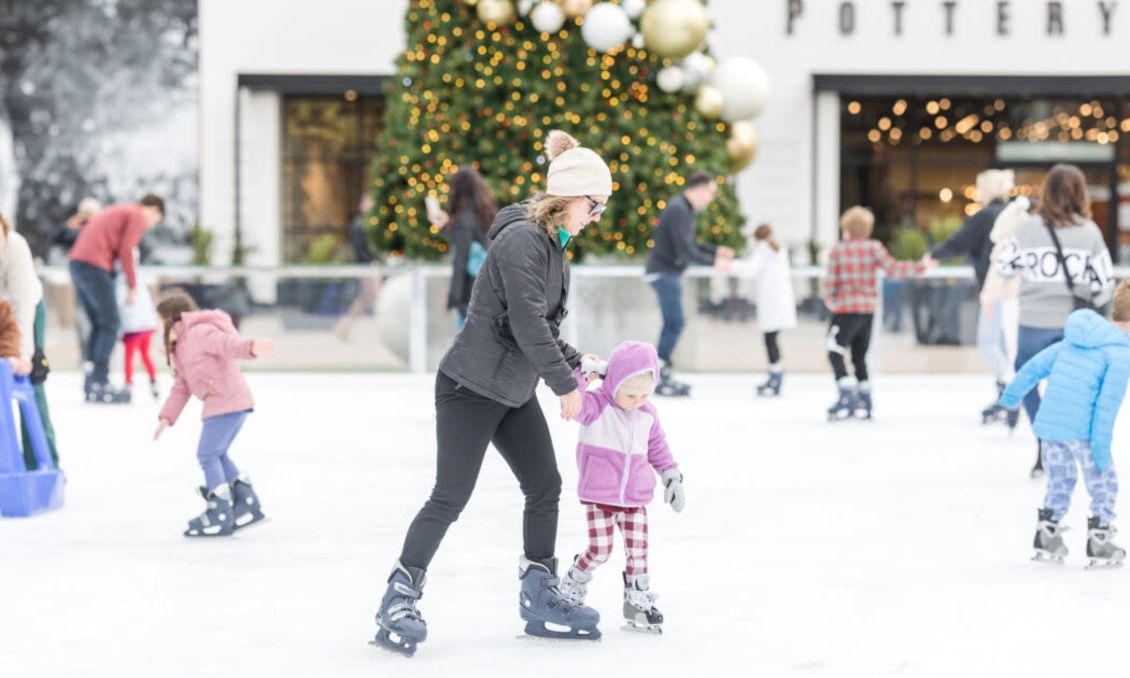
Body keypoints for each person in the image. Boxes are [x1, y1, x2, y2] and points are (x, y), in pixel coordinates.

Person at [374, 130, 610, 656]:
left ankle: (538, 592)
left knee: (545, 484)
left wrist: (578, 361)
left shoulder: (553, 248)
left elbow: (537, 329)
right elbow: (526, 324)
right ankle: (399, 595)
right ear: (570, 198)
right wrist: (565, 384)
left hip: (511, 389)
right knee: (450, 495)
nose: (595, 217)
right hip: (469, 387)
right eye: (594, 206)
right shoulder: (523, 240)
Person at [555, 341, 685, 634]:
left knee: (638, 551)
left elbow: (658, 448)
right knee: (600, 550)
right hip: (599, 494)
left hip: (635, 496)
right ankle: (575, 580)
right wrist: (580, 375)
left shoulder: (648, 414)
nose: (637, 400)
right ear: (613, 382)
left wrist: (671, 475)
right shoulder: (596, 405)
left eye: (644, 394)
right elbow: (572, 405)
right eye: (630, 394)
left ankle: (636, 602)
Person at [996, 164, 1114, 478]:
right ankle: (1072, 446)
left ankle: (1044, 441)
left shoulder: (1028, 229)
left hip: (1033, 322)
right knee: (1073, 386)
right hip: (1074, 325)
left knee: (1028, 380)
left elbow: (1005, 267)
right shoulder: (1089, 232)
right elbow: (1104, 284)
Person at [999, 289, 1130, 567]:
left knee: (1060, 481)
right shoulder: (1119, 354)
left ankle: (1047, 533)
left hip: (1050, 427)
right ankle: (1100, 539)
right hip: (1082, 431)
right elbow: (1106, 407)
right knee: (1104, 482)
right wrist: (1100, 447)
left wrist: (1010, 397)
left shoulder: (1073, 340)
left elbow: (1032, 368)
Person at [152, 289, 275, 538]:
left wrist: (251, 347)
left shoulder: (199, 333)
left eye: (160, 323)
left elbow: (227, 344)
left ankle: (219, 510)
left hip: (227, 401)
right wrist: (167, 416)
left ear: (173, 319)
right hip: (227, 402)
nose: (159, 329)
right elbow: (182, 386)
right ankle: (246, 500)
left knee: (207, 454)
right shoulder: (181, 348)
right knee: (218, 454)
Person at [822, 206, 935, 421]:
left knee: (834, 350)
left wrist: (830, 300)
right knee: (859, 355)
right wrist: (921, 266)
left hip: (846, 309)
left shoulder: (838, 250)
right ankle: (865, 396)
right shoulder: (874, 248)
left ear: (847, 227)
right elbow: (894, 269)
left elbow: (829, 282)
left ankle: (846, 393)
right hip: (868, 311)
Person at [928, 170, 1014, 423]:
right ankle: (1009, 392)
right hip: (1012, 289)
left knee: (988, 341)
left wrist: (934, 254)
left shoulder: (986, 216)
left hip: (995, 289)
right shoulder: (1011, 214)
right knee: (1003, 342)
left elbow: (960, 241)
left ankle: (1008, 392)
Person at [644, 171, 734, 397]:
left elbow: (690, 245)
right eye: (711, 193)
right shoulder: (678, 209)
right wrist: (715, 261)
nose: (711, 198)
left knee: (673, 323)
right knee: (675, 323)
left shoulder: (683, 209)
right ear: (701, 188)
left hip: (666, 272)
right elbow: (685, 251)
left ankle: (660, 371)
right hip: (664, 273)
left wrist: (715, 251)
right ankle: (659, 372)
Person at [69, 194, 164, 403]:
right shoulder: (136, 214)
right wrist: (132, 286)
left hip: (78, 264)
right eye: (155, 221)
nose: (149, 225)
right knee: (111, 324)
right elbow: (127, 250)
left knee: (98, 325)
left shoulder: (120, 210)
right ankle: (101, 383)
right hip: (94, 265)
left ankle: (91, 382)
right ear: (154, 210)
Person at [0, 212, 58, 469]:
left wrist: (22, 355)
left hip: (26, 311)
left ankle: (43, 463)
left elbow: (23, 306)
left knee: (29, 380)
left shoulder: (16, 246)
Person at [978, 196, 1030, 429]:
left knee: (1009, 348)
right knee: (1015, 348)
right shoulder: (1027, 243)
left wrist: (988, 296)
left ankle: (1010, 395)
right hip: (1024, 301)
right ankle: (1014, 394)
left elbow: (996, 274)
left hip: (1010, 301)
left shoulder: (1006, 246)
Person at [730, 223, 797, 397]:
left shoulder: (763, 250)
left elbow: (749, 269)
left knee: (770, 340)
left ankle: (776, 375)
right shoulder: (777, 250)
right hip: (779, 302)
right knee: (772, 339)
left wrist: (729, 265)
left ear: (756, 238)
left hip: (771, 303)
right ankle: (776, 374)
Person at [434, 165, 496, 330]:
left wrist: (453, 298)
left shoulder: (464, 218)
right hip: (488, 293)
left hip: (470, 296)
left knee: (468, 351)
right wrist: (445, 227)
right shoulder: (485, 214)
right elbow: (471, 243)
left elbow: (462, 259)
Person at [334, 195, 383, 342]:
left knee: (364, 301)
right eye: (369, 204)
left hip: (370, 265)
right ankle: (383, 330)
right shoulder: (358, 225)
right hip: (366, 267)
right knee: (376, 298)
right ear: (362, 206)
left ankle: (342, 327)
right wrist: (372, 261)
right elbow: (360, 249)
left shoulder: (371, 224)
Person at [115, 249, 159, 400]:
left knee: (130, 357)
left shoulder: (123, 282)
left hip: (133, 328)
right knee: (144, 356)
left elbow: (120, 304)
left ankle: (129, 384)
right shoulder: (138, 279)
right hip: (145, 326)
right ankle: (153, 381)